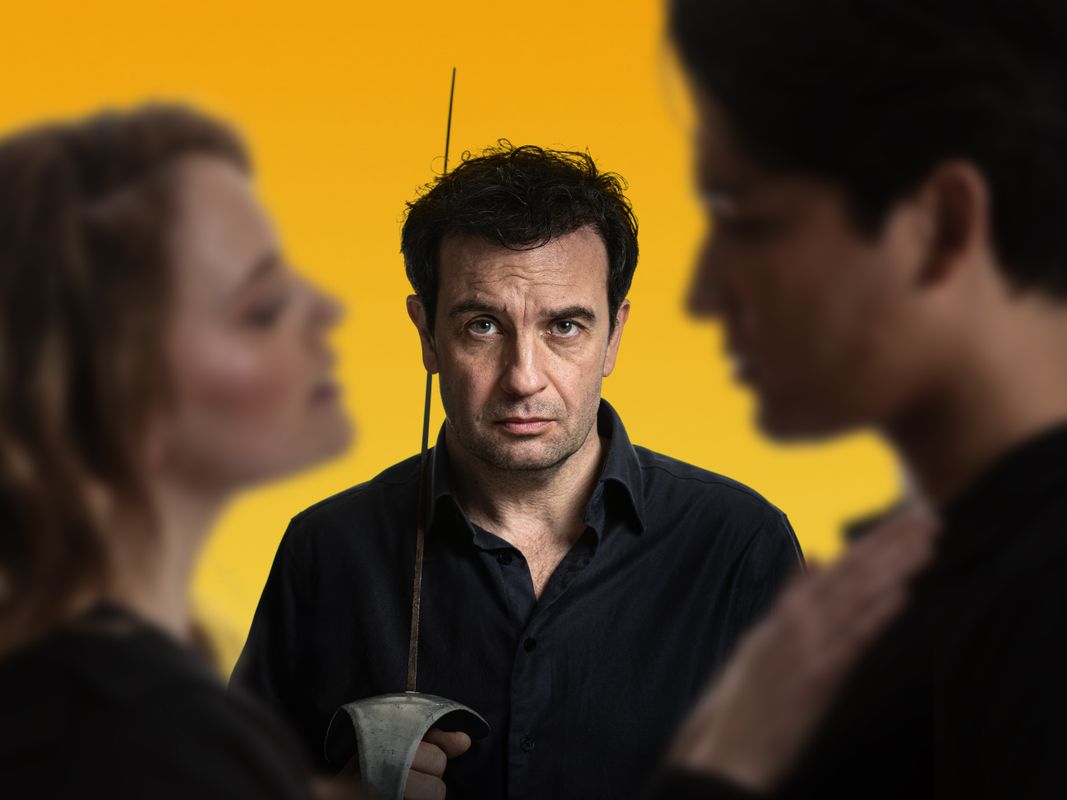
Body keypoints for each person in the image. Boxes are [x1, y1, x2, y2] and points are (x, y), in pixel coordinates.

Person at [233, 142, 804, 799]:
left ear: (614, 335)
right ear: (427, 335)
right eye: (482, 326)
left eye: (564, 327)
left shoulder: (738, 547)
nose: (523, 378)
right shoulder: (328, 552)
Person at [648, 0, 1067, 797]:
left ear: (939, 226)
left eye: (744, 218)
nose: (702, 294)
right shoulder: (927, 582)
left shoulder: (1031, 615)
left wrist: (716, 772)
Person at [0, 105, 359, 798]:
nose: (325, 308)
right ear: (125, 400)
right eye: (262, 309)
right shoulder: (154, 739)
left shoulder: (68, 695)